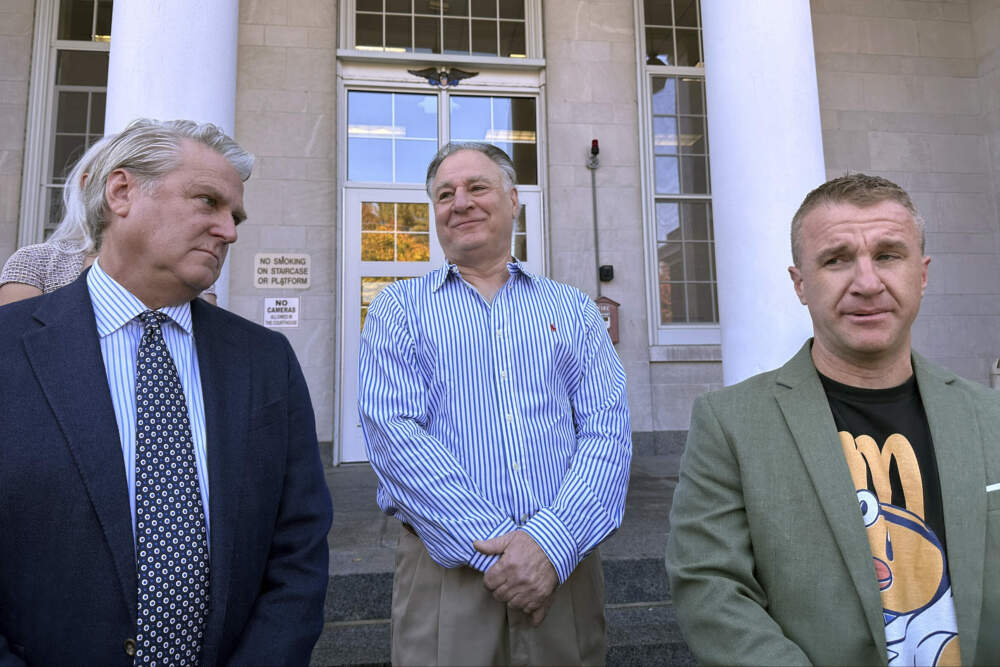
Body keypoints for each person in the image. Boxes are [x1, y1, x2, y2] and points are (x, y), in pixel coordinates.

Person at [0, 118, 332, 666]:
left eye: (236, 216)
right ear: (122, 191)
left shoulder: (265, 361)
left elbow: (298, 547)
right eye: (208, 202)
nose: (229, 231)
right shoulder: (12, 349)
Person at [666, 173, 1000, 666]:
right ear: (800, 284)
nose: (867, 283)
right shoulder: (730, 425)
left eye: (888, 255)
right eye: (836, 260)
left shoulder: (989, 416)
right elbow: (712, 591)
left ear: (922, 274)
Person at [358, 142, 631, 666]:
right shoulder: (398, 308)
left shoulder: (570, 308)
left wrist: (549, 545)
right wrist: (500, 549)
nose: (460, 202)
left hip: (564, 568)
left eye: (477, 187)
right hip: (449, 572)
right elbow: (393, 434)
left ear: (513, 201)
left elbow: (607, 431)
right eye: (445, 194)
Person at [0, 136, 217, 306]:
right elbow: (16, 351)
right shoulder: (37, 263)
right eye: (121, 187)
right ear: (89, 184)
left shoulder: (188, 264)